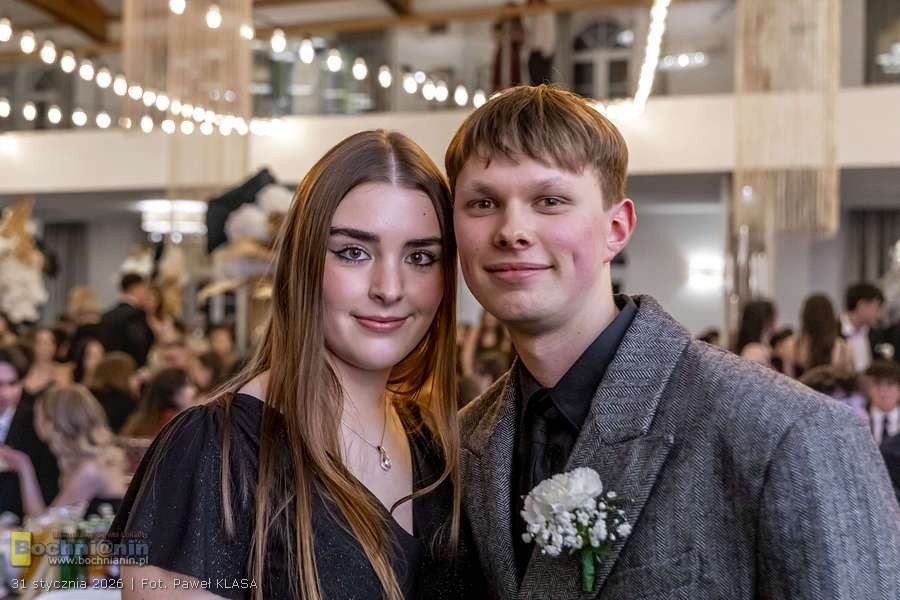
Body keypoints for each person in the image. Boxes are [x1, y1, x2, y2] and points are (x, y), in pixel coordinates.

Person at [446, 85, 899, 599]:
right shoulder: (463, 442)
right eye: (483, 203)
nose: (512, 231)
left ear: (617, 228)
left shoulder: (787, 430)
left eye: (550, 201)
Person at [110, 130, 465, 600]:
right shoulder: (218, 449)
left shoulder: (434, 446)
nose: (389, 288)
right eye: (354, 252)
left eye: (420, 256)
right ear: (303, 262)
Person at [0, 385, 127, 518]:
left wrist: (24, 467)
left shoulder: (90, 469)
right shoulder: (76, 461)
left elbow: (44, 523)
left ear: (51, 422)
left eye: (37, 416)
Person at [0, 346, 59, 518]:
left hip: (22, 521)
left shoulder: (36, 422)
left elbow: (48, 486)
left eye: (13, 383)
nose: (4, 393)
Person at [119, 368, 197, 439]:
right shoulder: (173, 421)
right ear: (172, 391)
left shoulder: (141, 419)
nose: (194, 390)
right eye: (187, 384)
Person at [97, 273, 155, 367]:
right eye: (144, 289)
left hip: (109, 367)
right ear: (136, 288)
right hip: (130, 368)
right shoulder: (136, 315)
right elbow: (139, 345)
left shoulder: (106, 315)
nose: (146, 294)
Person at [794, 293, 853, 375]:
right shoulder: (843, 348)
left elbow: (786, 379)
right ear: (831, 317)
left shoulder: (792, 347)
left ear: (804, 317)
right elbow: (849, 379)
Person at [90, 352, 140, 433]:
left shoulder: (89, 395)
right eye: (133, 374)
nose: (138, 379)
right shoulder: (128, 403)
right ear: (123, 376)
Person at [842, 283, 886, 371]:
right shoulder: (833, 331)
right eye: (877, 308)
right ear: (862, 305)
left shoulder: (875, 334)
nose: (879, 314)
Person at [21, 328, 69, 405]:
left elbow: (64, 402)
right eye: (40, 342)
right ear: (31, 344)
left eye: (51, 342)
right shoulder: (21, 369)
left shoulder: (63, 372)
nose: (46, 346)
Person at [864, 360, 900, 446]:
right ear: (867, 389)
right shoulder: (856, 419)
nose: (883, 391)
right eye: (877, 384)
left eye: (890, 384)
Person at [524, 0, 556, 85]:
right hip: (532, 50)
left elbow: (550, 32)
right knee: (533, 79)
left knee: (544, 79)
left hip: (543, 51)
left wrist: (548, 50)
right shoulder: (529, 14)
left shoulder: (546, 13)